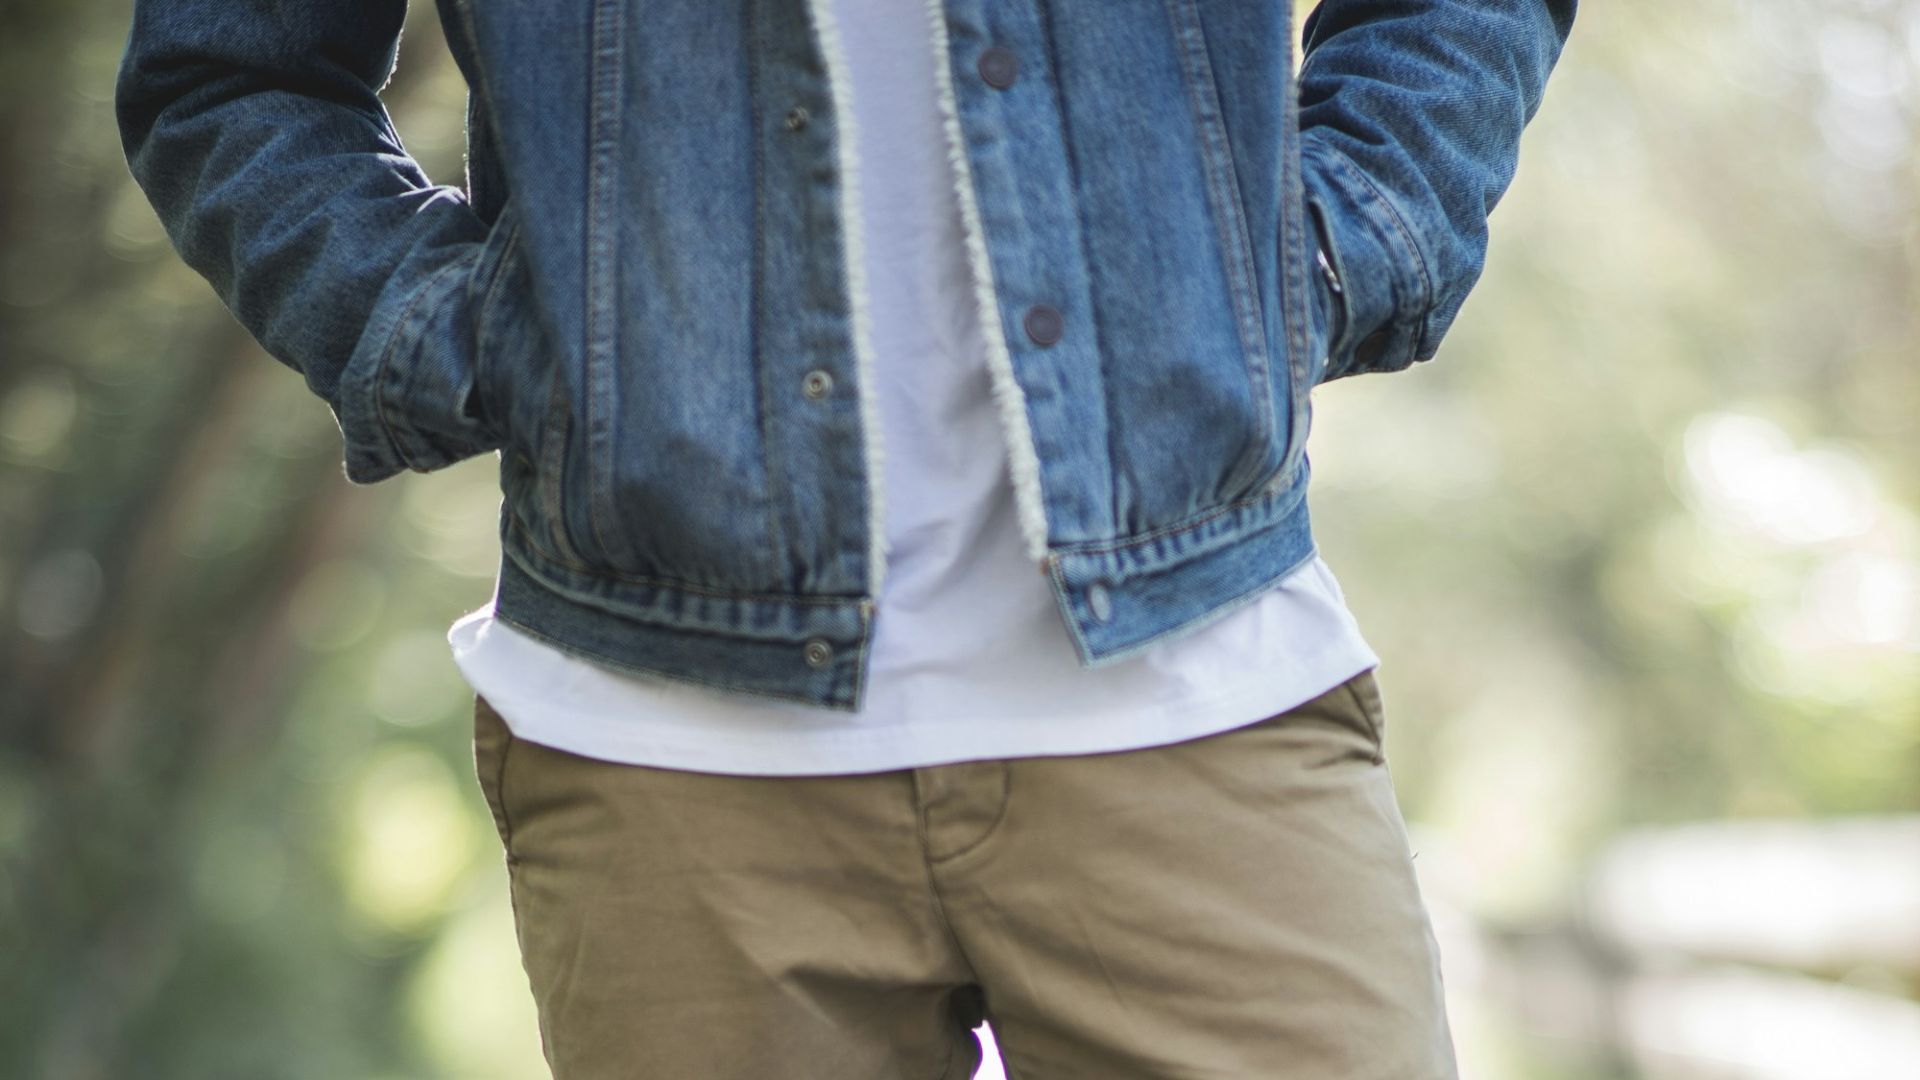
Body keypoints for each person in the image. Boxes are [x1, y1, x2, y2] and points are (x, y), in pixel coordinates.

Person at [116, 0, 1575, 1075]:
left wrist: (1334, 241)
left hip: (1200, 690)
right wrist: (463, 339)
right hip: (671, 768)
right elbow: (229, 71)